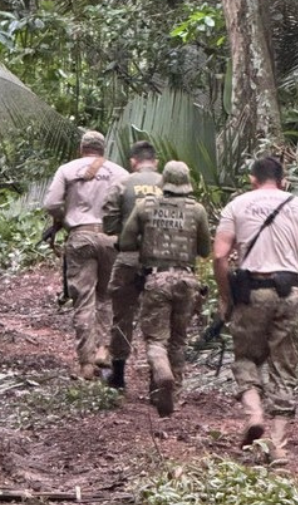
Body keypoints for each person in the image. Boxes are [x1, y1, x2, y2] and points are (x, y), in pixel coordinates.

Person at [212, 156, 298, 457]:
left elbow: (219, 256)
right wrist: (293, 258)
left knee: (246, 358)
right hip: (290, 292)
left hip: (253, 292)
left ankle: (254, 415)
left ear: (253, 179)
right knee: (284, 364)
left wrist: (226, 296)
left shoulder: (237, 205)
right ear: (283, 179)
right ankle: (276, 444)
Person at [119, 161, 211, 417]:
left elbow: (125, 242)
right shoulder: (197, 210)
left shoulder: (146, 206)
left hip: (157, 279)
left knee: (156, 340)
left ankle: (161, 372)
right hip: (187, 281)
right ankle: (172, 395)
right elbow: (204, 250)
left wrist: (147, 238)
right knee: (178, 340)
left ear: (164, 183)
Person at [44, 131, 129, 380]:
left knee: (84, 299)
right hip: (111, 238)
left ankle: (85, 364)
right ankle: (104, 347)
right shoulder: (120, 173)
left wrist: (63, 216)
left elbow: (51, 203)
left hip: (81, 236)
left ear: (82, 148)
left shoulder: (68, 169)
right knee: (107, 296)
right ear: (103, 150)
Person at [101, 141, 163, 390]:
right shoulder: (168, 185)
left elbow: (108, 225)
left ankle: (118, 376)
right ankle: (156, 379)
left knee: (122, 316)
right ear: (155, 161)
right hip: (161, 261)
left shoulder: (122, 184)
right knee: (158, 319)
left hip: (128, 258)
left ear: (133, 162)